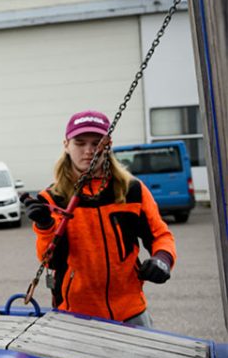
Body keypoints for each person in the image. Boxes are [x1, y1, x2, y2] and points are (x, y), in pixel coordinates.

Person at [23, 110, 176, 326]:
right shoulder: (52, 198)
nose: (88, 150)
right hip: (74, 316)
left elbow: (160, 235)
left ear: (108, 144)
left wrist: (163, 260)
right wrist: (45, 226)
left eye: (96, 143)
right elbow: (51, 260)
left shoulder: (132, 190)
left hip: (131, 312)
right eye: (80, 142)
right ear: (66, 144)